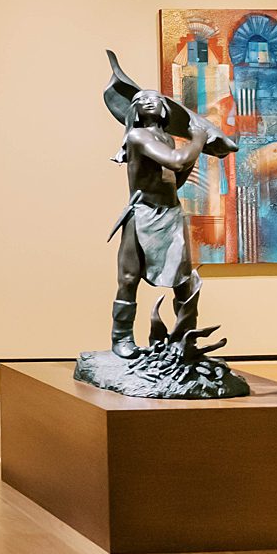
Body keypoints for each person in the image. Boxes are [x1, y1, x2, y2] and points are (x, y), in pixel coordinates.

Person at [107, 89, 209, 358]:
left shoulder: (165, 138)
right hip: (142, 213)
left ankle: (185, 338)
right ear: (134, 111)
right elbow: (177, 161)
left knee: (183, 281)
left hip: (170, 213)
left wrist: (189, 154)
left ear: (165, 109)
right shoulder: (137, 135)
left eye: (155, 98)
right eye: (140, 99)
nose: (148, 100)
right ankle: (122, 338)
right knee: (128, 278)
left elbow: (174, 178)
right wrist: (198, 140)